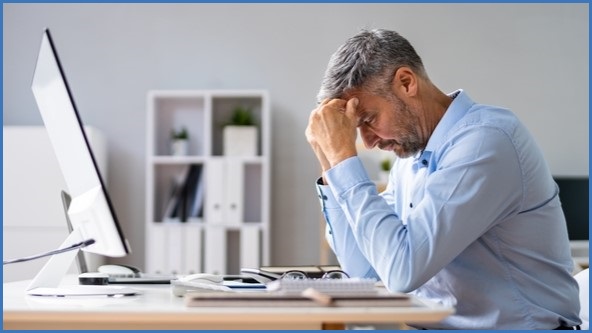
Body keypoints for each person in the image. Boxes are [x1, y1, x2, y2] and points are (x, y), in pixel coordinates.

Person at [305, 29, 581, 330]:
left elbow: (402, 272)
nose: (368, 143)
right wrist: (329, 161)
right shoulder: (410, 161)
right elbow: (366, 273)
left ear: (406, 83)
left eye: (368, 120)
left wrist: (345, 159)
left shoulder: (485, 143)